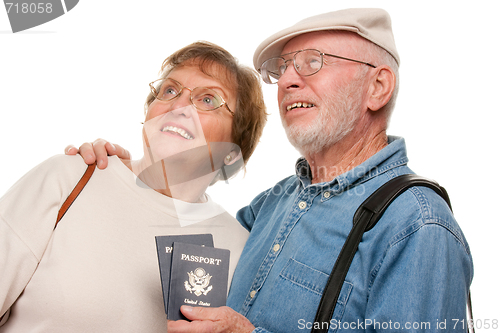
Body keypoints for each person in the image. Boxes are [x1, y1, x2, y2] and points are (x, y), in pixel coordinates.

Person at [67, 8, 473, 333]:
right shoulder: (275, 203)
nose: (287, 81)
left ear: (378, 87)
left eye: (312, 62)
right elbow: (183, 222)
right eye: (282, 69)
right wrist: (126, 174)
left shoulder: (418, 227)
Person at [0, 41, 267, 332]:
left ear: (231, 151)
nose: (178, 105)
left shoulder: (239, 248)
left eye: (208, 100)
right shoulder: (68, 177)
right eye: (169, 90)